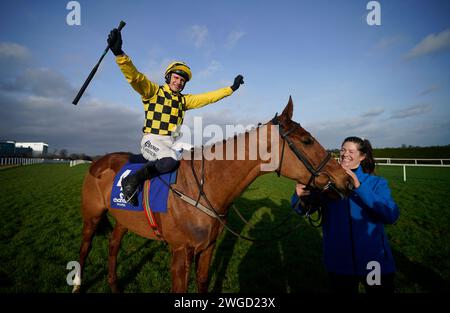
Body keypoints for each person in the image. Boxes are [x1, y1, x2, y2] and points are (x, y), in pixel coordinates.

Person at [107, 28, 244, 205]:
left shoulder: (184, 100)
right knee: (170, 162)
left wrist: (230, 89)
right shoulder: (153, 92)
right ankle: (132, 181)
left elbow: (208, 97)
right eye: (176, 78)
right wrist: (119, 54)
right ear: (168, 77)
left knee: (193, 159)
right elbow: (135, 78)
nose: (179, 82)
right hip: (152, 140)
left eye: (182, 81)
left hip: (171, 143)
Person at [291, 136, 399, 293]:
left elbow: (391, 215)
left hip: (373, 262)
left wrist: (358, 186)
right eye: (342, 149)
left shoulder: (377, 183)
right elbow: (302, 210)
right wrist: (299, 196)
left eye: (350, 151)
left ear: (362, 157)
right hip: (339, 261)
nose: (344, 154)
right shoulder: (327, 183)